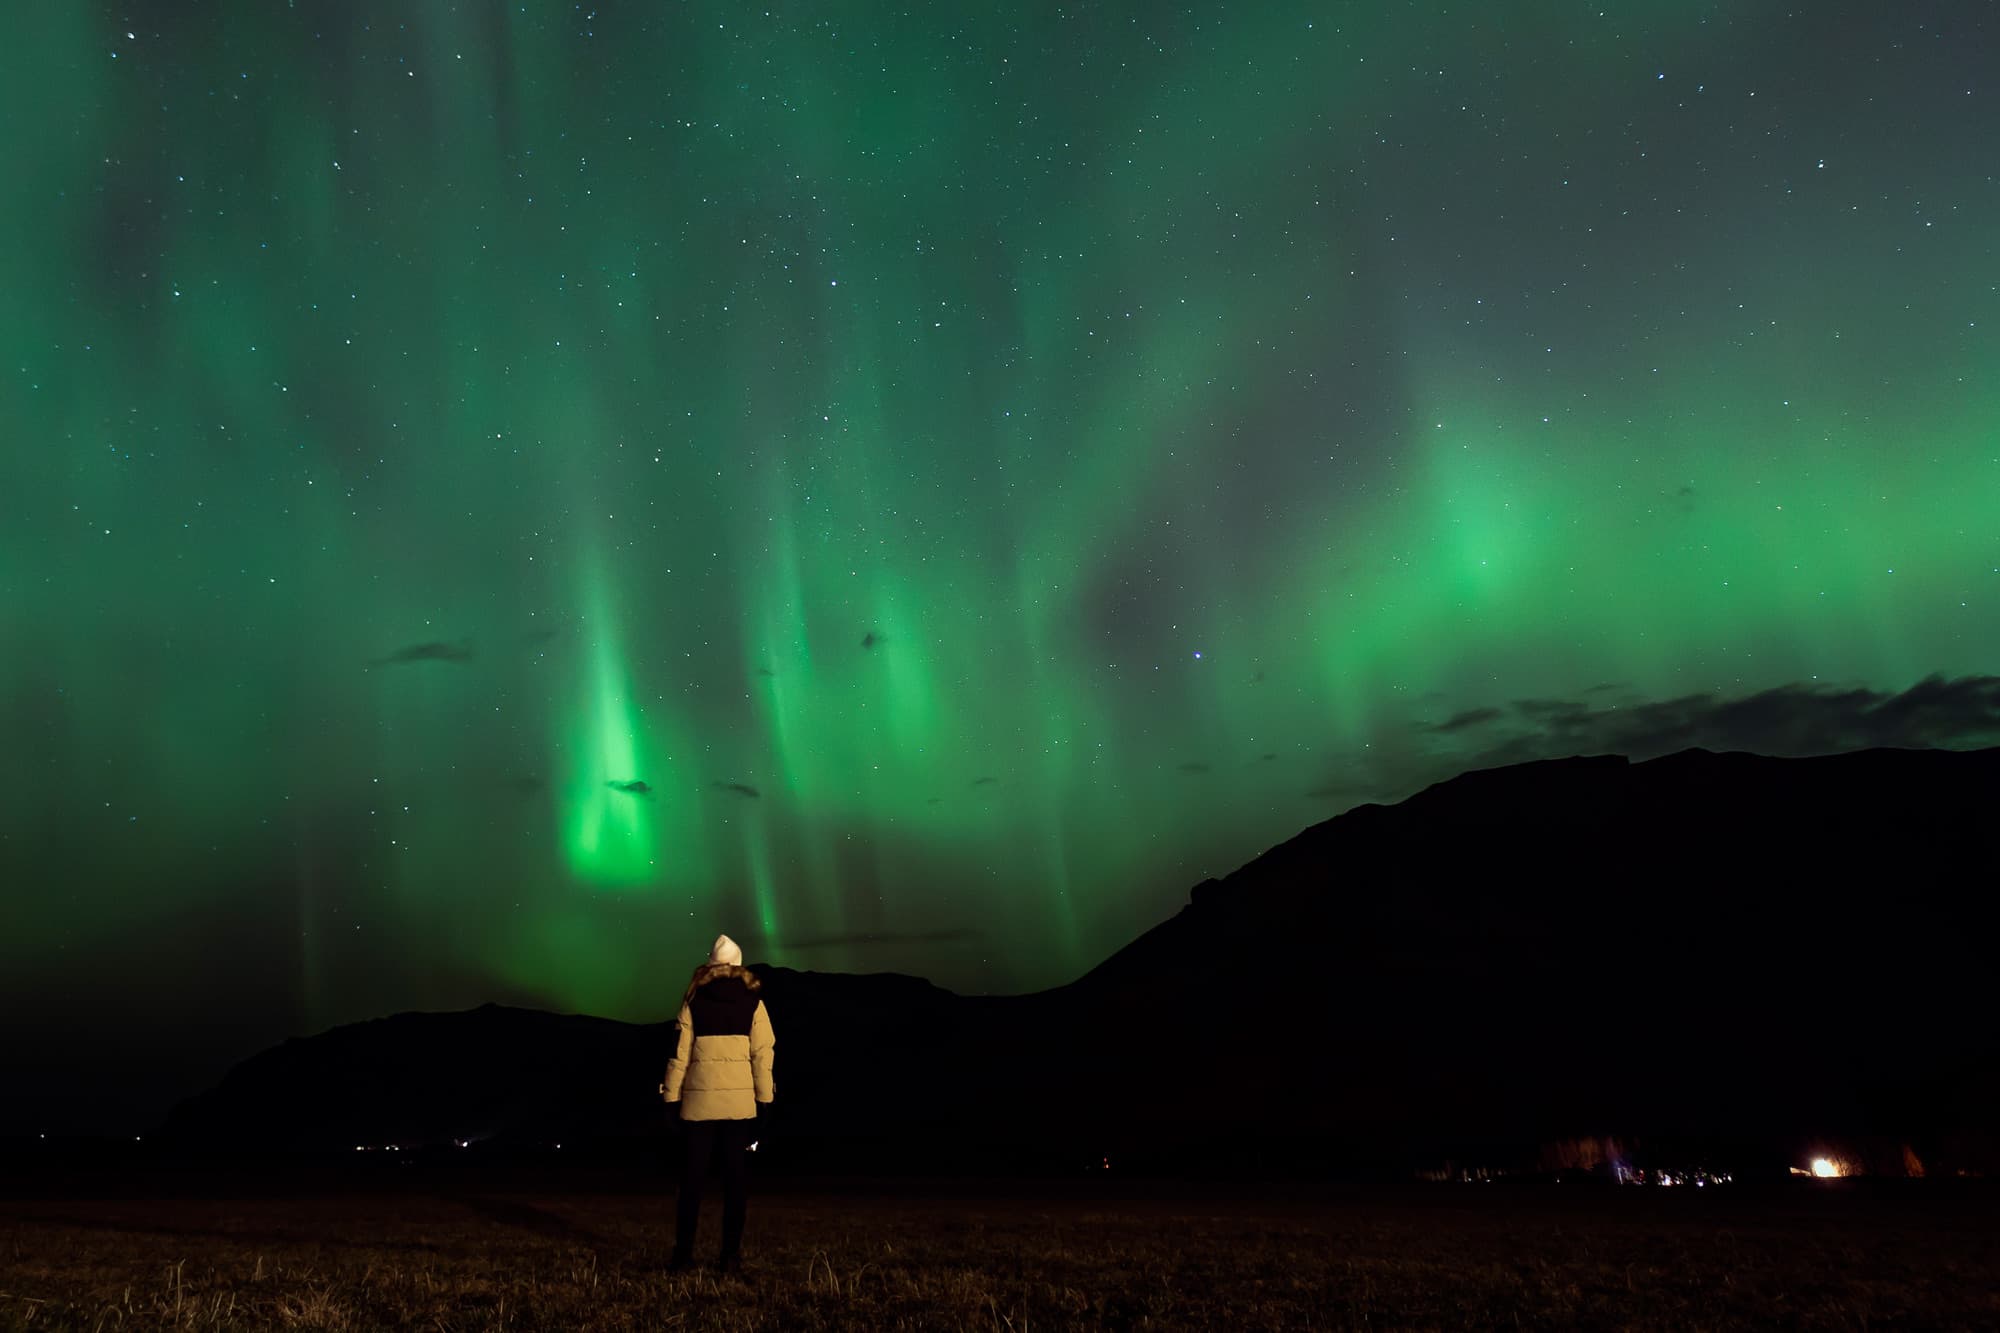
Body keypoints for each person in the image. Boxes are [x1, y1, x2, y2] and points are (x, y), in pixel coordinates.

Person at [661, 934, 775, 1274]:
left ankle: (683, 1257)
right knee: (735, 1184)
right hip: (740, 1107)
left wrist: (670, 1098)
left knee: (692, 1183)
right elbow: (762, 1055)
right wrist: (765, 1101)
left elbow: (679, 1054)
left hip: (698, 1107)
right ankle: (730, 1257)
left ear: (711, 964)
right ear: (738, 965)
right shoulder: (754, 1001)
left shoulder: (694, 999)